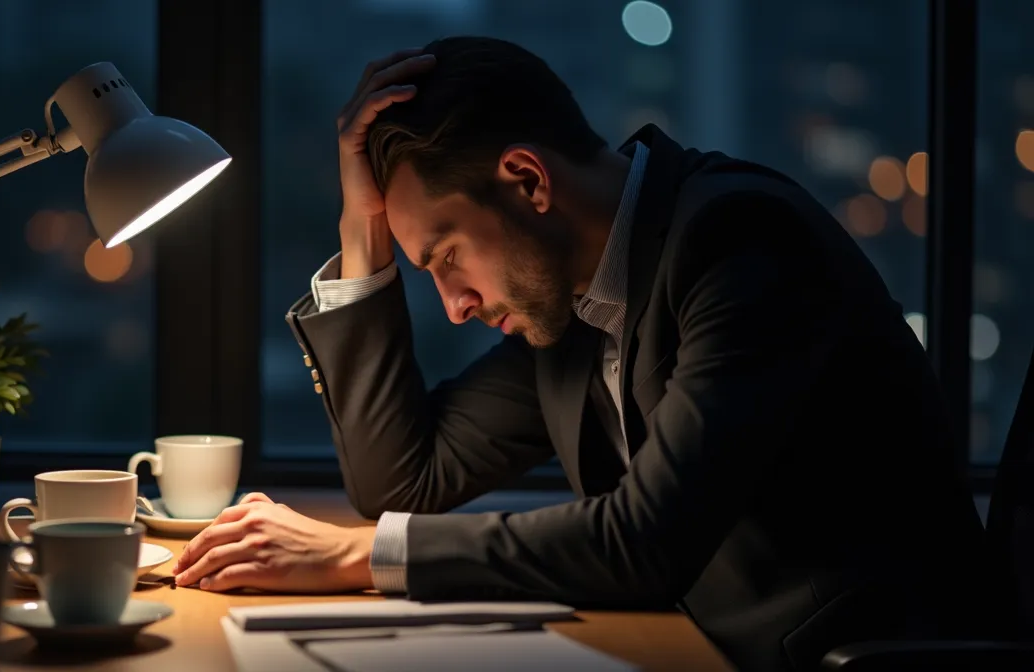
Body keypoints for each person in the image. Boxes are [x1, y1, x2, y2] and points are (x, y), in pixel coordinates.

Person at [171, 36, 1006, 670]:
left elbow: (648, 539)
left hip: (848, 660)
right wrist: (366, 231)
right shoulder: (569, 300)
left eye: (448, 255)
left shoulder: (742, 244)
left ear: (529, 182)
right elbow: (403, 481)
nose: (455, 307)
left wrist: (354, 554)